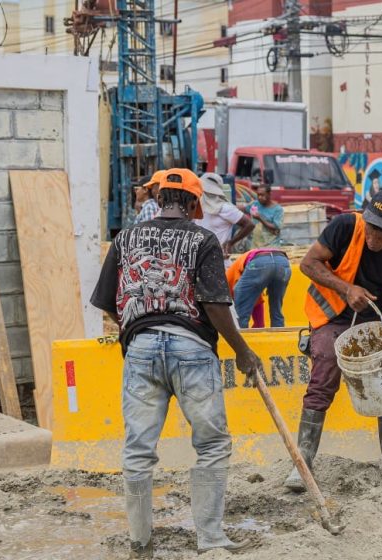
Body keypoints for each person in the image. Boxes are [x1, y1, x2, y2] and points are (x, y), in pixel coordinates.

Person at [90, 168, 264, 556]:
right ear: (191, 203)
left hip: (141, 349)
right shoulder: (203, 239)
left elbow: (107, 303)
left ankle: (140, 542)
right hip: (191, 350)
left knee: (137, 449)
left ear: (159, 197)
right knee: (213, 443)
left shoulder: (126, 237)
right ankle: (211, 539)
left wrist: (137, 330)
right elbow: (214, 303)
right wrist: (242, 350)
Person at [284, 191, 382, 492]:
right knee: (326, 362)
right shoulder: (344, 226)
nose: (373, 235)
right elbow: (309, 264)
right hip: (330, 317)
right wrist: (345, 289)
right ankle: (303, 461)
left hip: (373, 321)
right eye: (371, 226)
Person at [194, 172, 255, 265]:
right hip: (200, 259)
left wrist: (230, 243)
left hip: (219, 260)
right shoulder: (197, 207)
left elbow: (249, 224)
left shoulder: (225, 208)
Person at [226, 248, 291, 328]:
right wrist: (259, 325)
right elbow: (257, 299)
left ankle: (240, 332)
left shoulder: (227, 278)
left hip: (260, 261)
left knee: (241, 310)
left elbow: (242, 296)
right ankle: (279, 333)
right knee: (276, 306)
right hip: (282, 262)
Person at [247, 184, 284, 248]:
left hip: (271, 246)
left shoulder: (277, 209)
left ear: (269, 194)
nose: (259, 197)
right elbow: (244, 208)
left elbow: (276, 227)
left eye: (262, 195)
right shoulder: (255, 204)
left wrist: (260, 218)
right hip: (256, 246)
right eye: (258, 195)